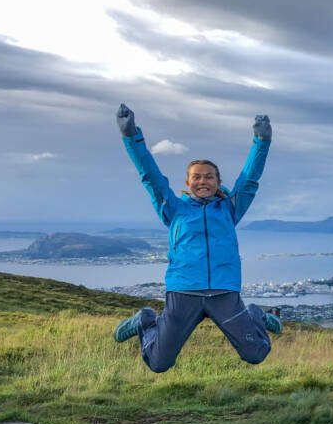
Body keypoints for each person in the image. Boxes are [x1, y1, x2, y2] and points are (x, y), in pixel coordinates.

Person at [112, 103, 281, 372]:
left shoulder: (229, 208)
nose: (203, 181)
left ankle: (256, 315)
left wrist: (262, 142)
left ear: (217, 181)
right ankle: (145, 321)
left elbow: (249, 179)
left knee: (256, 353)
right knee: (158, 363)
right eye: (197, 177)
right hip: (183, 291)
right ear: (188, 182)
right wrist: (131, 136)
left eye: (209, 177)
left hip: (224, 293)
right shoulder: (174, 208)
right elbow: (150, 176)